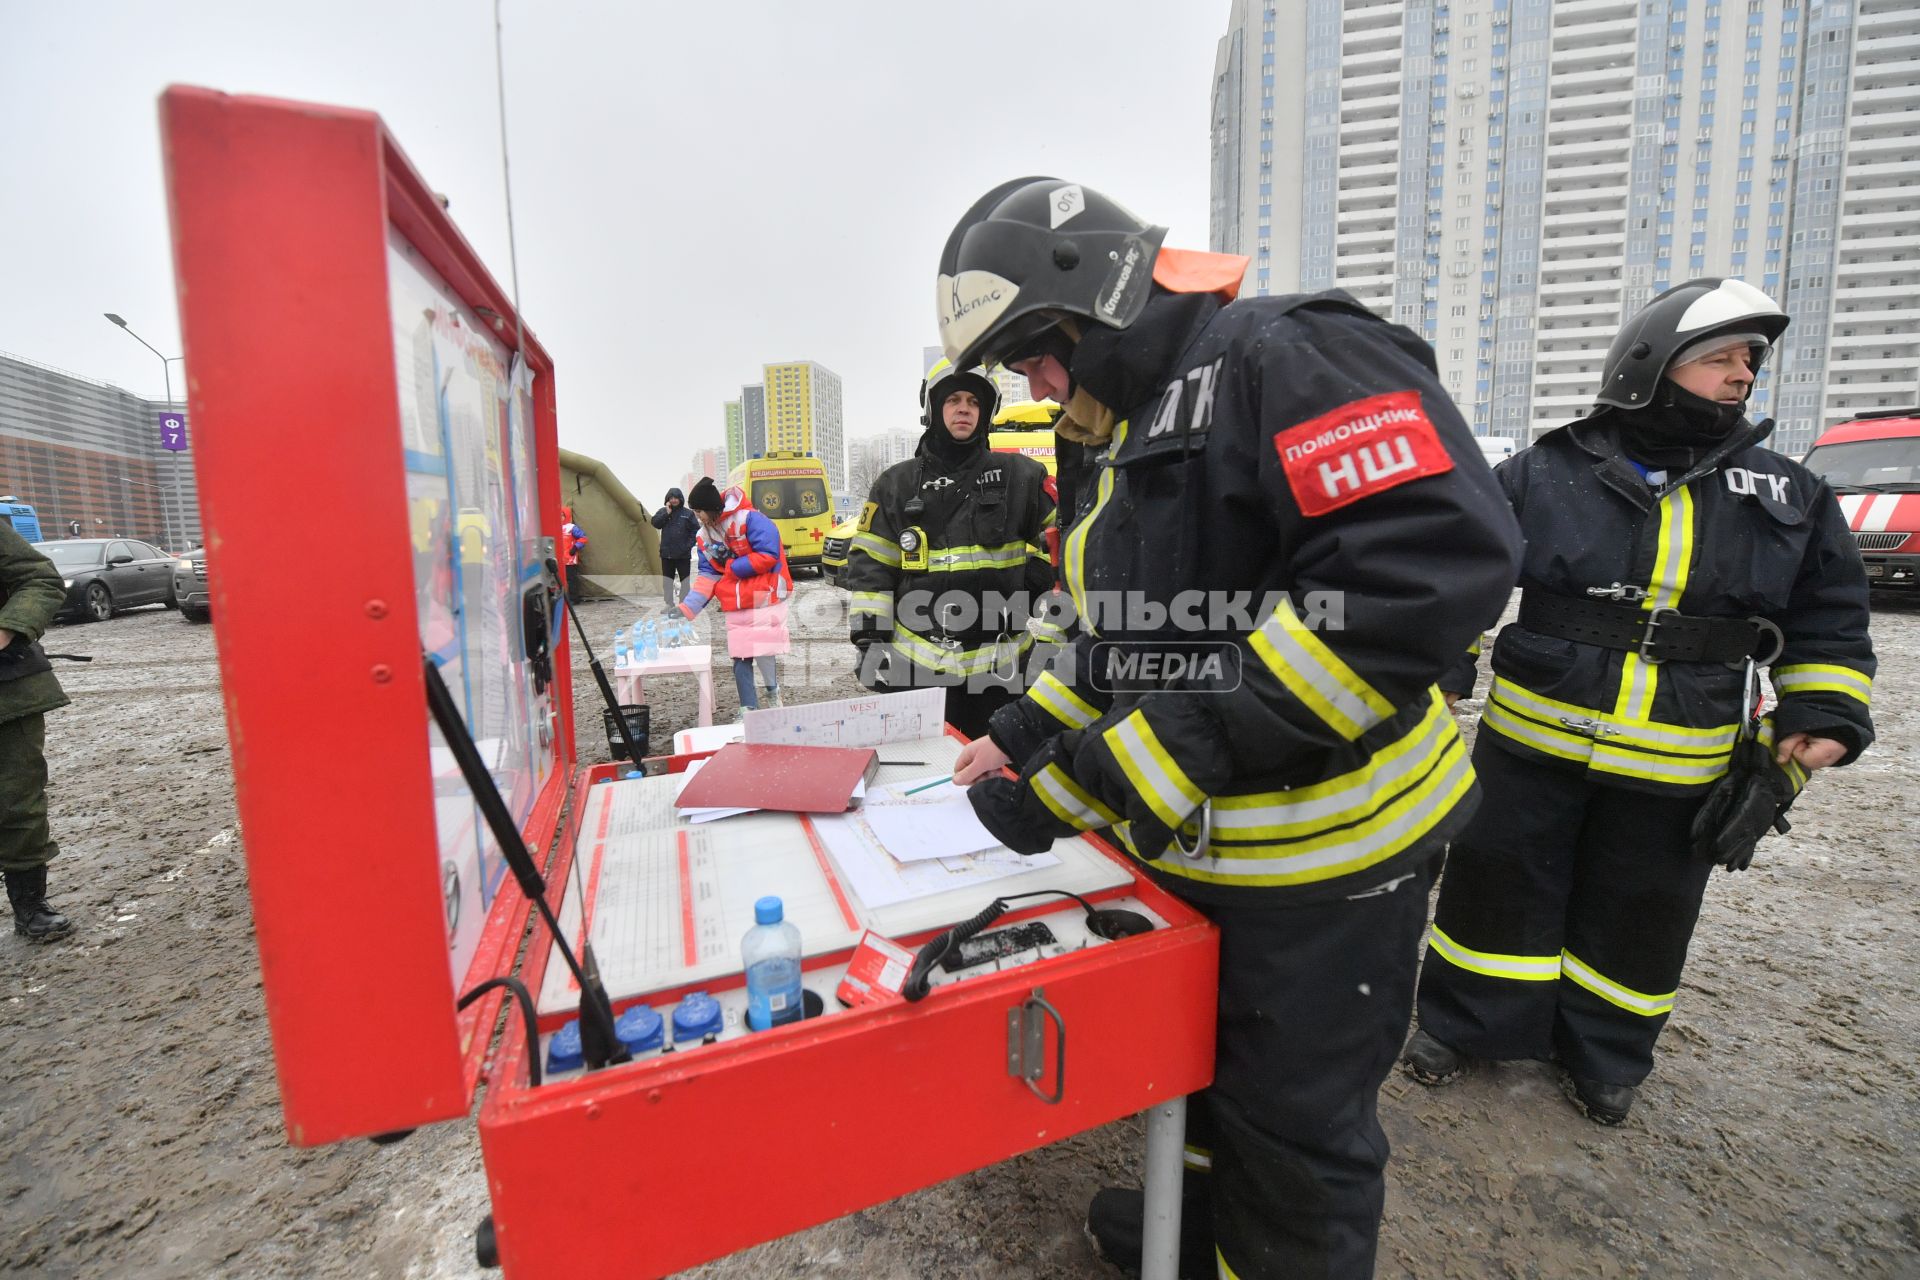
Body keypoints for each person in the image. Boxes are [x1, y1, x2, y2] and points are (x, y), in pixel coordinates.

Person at [938, 178, 1523, 1279]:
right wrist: (1017, 733)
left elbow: (1423, 573)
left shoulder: (1282, 356)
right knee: (1204, 1072)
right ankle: (1198, 1231)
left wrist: (1148, 755)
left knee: (1294, 1133)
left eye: (1034, 352)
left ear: (1093, 295)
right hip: (1216, 851)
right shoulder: (1133, 425)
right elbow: (1130, 636)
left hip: (1332, 856)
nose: (1035, 383)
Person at [1406, 278, 1876, 1126]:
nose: (1742, 376)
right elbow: (1459, 576)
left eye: (1750, 362)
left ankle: (1604, 1054)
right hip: (1531, 745)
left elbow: (1829, 616)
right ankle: (1466, 1026)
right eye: (1722, 358)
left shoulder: (1789, 495)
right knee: (1496, 886)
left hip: (1679, 758)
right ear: (1652, 365)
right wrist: (1436, 678)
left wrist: (1823, 714)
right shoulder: (1545, 471)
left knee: (1642, 915)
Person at [844, 358, 1055, 739]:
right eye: (953, 400)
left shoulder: (1021, 476)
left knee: (997, 774)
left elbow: (1064, 540)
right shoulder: (896, 485)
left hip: (1002, 668)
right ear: (934, 410)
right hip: (918, 670)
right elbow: (871, 568)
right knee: (927, 775)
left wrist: (1035, 577)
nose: (963, 409)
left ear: (985, 413)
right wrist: (870, 643)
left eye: (973, 402)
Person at [0, 524, 74, 943]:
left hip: (5, 689)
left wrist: (9, 627)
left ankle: (29, 906)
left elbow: (39, 578)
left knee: (16, 800)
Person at [678, 477, 790, 714]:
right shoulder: (704, 536)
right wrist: (687, 608)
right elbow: (708, 575)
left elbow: (769, 554)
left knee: (764, 651)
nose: (698, 517)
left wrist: (733, 567)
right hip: (735, 602)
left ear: (711, 508)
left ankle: (773, 693)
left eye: (699, 511)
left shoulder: (751, 519)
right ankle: (747, 709)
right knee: (740, 656)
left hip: (762, 596)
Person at [651, 486, 699, 609]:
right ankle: (669, 604)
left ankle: (684, 605)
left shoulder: (688, 513)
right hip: (667, 554)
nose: (673, 500)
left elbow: (695, 531)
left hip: (683, 554)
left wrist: (687, 546)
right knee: (667, 581)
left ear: (680, 499)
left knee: (685, 581)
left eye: (676, 498)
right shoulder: (663, 511)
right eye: (671, 498)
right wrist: (667, 513)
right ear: (667, 499)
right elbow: (655, 523)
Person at [558, 507, 589, 604]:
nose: (560, 517)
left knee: (571, 580)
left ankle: (574, 599)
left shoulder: (571, 527)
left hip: (569, 560)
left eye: (562, 515)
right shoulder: (555, 527)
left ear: (566, 516)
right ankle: (561, 599)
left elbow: (583, 538)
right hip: (558, 559)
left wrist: (575, 548)